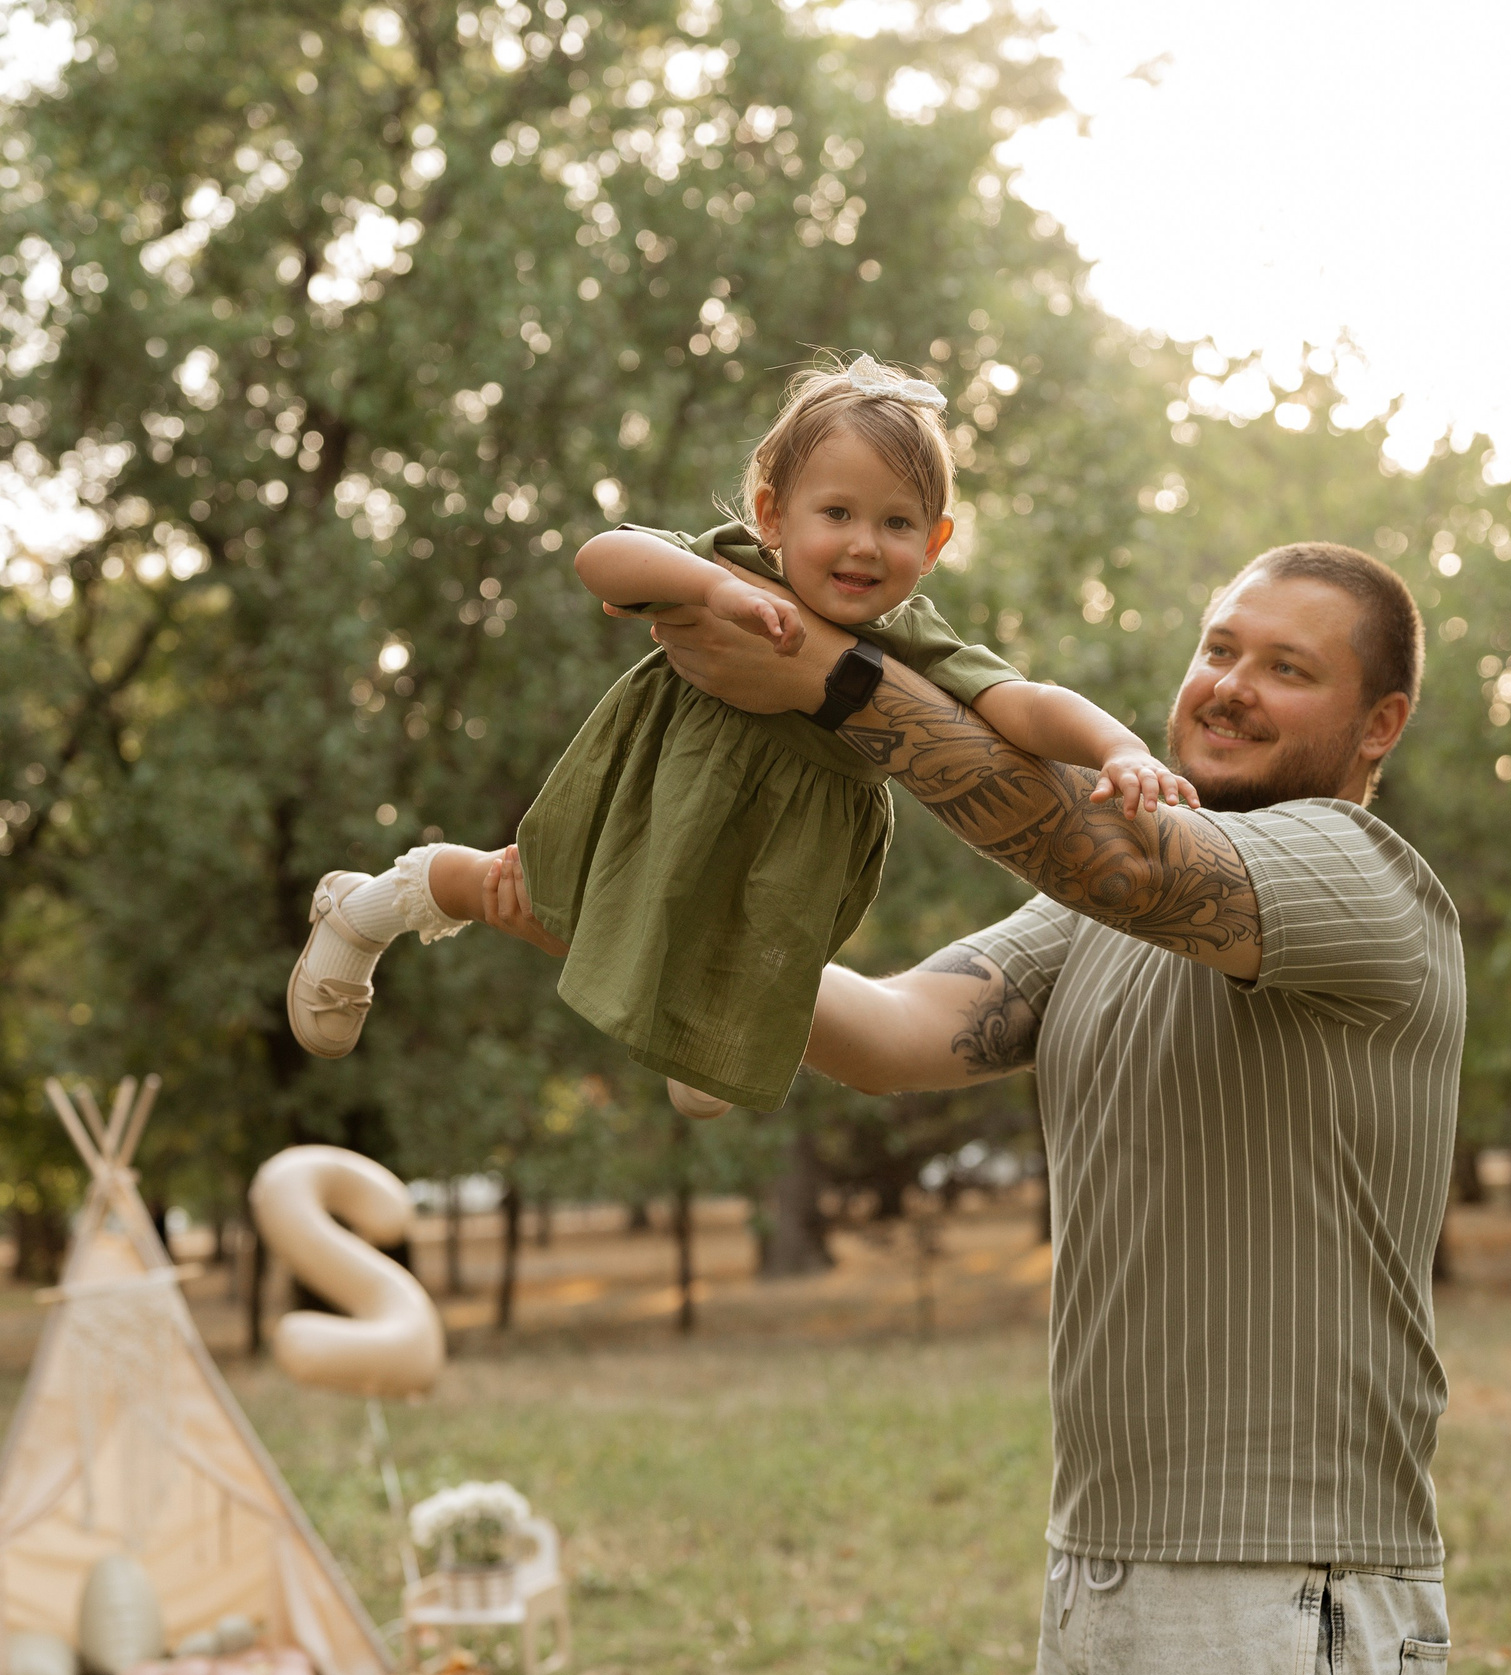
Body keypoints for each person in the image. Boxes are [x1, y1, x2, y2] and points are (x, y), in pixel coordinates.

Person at [638, 541, 1465, 1675]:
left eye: (1287, 667)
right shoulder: (1091, 918)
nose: (1229, 683)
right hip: (1101, 1564)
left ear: (1377, 724)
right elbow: (891, 1030)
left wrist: (831, 679)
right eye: (1219, 646)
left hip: (1282, 1581)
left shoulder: (1361, 873)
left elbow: (1117, 865)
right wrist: (634, 927)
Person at [283, 354, 1189, 1118]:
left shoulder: (910, 637)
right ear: (772, 515)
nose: (865, 545)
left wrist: (1118, 748)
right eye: (836, 513)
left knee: (747, 952)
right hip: (661, 796)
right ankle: (381, 901)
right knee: (530, 895)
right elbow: (602, 555)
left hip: (782, 849)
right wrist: (713, 589)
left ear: (937, 541)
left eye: (897, 522)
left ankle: (703, 1025)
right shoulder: (737, 568)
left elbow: (1021, 704)